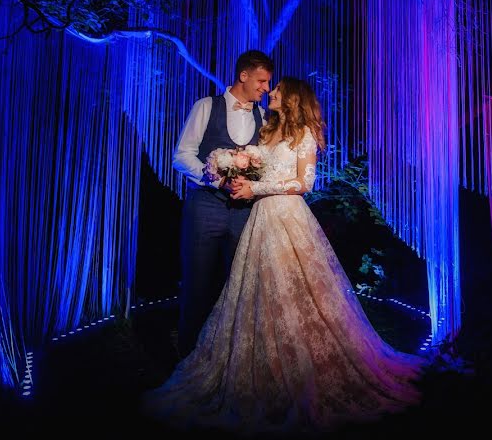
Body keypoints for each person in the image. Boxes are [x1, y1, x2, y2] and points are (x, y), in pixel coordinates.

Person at [143, 77, 426, 433]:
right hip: (260, 218)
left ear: (291, 99)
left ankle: (304, 367)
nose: (270, 93)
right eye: (269, 87)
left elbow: (304, 183)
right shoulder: (266, 132)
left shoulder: (303, 133)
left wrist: (255, 187)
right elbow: (256, 164)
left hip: (288, 216)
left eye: (276, 90)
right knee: (259, 293)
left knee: (297, 292)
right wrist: (233, 165)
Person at [171, 49, 274, 358]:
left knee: (239, 289)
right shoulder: (206, 106)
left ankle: (230, 361)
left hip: (245, 213)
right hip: (205, 206)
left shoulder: (264, 117)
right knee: (197, 286)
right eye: (262, 81)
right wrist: (216, 179)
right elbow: (182, 155)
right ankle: (187, 358)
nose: (265, 89)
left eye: (268, 83)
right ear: (243, 75)